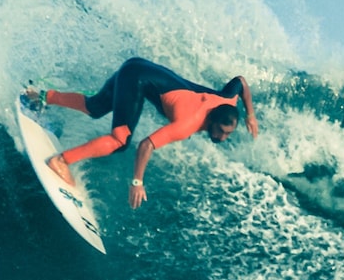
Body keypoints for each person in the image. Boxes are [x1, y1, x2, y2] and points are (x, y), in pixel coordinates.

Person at [26, 57, 258, 208]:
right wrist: (137, 182)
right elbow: (146, 145)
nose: (222, 137)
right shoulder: (189, 122)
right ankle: (61, 161)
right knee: (120, 141)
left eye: (227, 134)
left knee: (95, 107)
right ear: (211, 119)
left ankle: (43, 96)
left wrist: (250, 115)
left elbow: (241, 82)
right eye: (220, 131)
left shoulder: (227, 99)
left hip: (136, 65)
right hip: (136, 79)